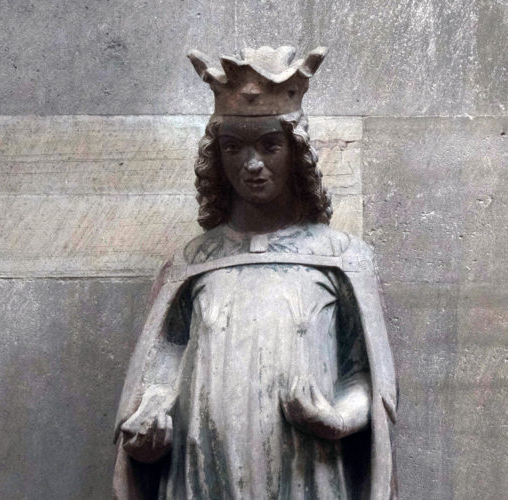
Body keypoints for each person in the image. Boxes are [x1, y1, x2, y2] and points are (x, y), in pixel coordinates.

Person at [112, 46, 397, 500]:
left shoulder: (342, 258)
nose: (252, 165)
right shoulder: (194, 262)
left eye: (269, 145)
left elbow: (365, 374)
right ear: (216, 156)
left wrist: (339, 418)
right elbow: (162, 369)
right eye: (234, 148)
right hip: (203, 471)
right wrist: (149, 429)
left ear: (296, 151)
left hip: (306, 469)